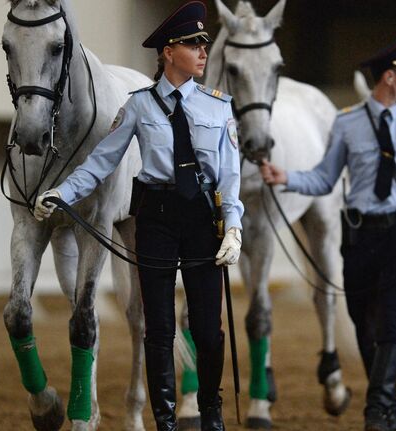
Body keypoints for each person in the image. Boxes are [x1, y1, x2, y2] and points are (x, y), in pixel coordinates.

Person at [34, 2, 243, 430]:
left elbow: (230, 176)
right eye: (193, 44)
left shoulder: (219, 107)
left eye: (204, 44)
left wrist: (234, 225)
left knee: (208, 330)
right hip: (157, 219)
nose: (204, 52)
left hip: (205, 221)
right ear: (168, 52)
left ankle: (211, 415)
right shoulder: (138, 107)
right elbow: (100, 162)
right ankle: (164, 420)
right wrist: (62, 192)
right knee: (159, 329)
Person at [260, 31, 396, 431]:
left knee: (391, 321)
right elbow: (324, 179)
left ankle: (376, 408)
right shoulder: (347, 124)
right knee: (361, 321)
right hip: (360, 238)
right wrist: (287, 177)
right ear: (389, 77)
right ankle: (388, 408)